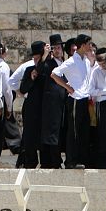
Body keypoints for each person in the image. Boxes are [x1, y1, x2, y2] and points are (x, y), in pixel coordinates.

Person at [51, 33, 94, 169]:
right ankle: (71, 160)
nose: (90, 46)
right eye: (88, 44)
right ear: (82, 45)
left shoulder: (86, 61)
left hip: (84, 98)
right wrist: (68, 87)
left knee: (83, 130)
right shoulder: (71, 61)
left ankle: (81, 158)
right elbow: (54, 74)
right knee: (73, 131)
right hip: (75, 98)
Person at [18, 41, 50, 168]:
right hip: (31, 108)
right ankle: (30, 161)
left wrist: (44, 59)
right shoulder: (29, 70)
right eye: (35, 58)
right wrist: (31, 78)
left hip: (44, 108)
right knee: (30, 136)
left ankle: (46, 162)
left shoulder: (47, 69)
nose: (36, 60)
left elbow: (42, 70)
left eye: (39, 58)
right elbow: (23, 88)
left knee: (43, 137)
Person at [40, 34, 67, 169]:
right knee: (52, 131)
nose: (57, 50)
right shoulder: (48, 63)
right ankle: (53, 160)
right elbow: (40, 71)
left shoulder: (64, 63)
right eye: (55, 48)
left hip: (63, 101)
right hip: (52, 103)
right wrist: (45, 56)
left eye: (59, 48)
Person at [89, 47, 106, 169]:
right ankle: (103, 163)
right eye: (100, 63)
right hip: (103, 104)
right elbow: (91, 91)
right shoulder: (96, 72)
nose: (103, 65)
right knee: (105, 134)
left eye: (104, 62)